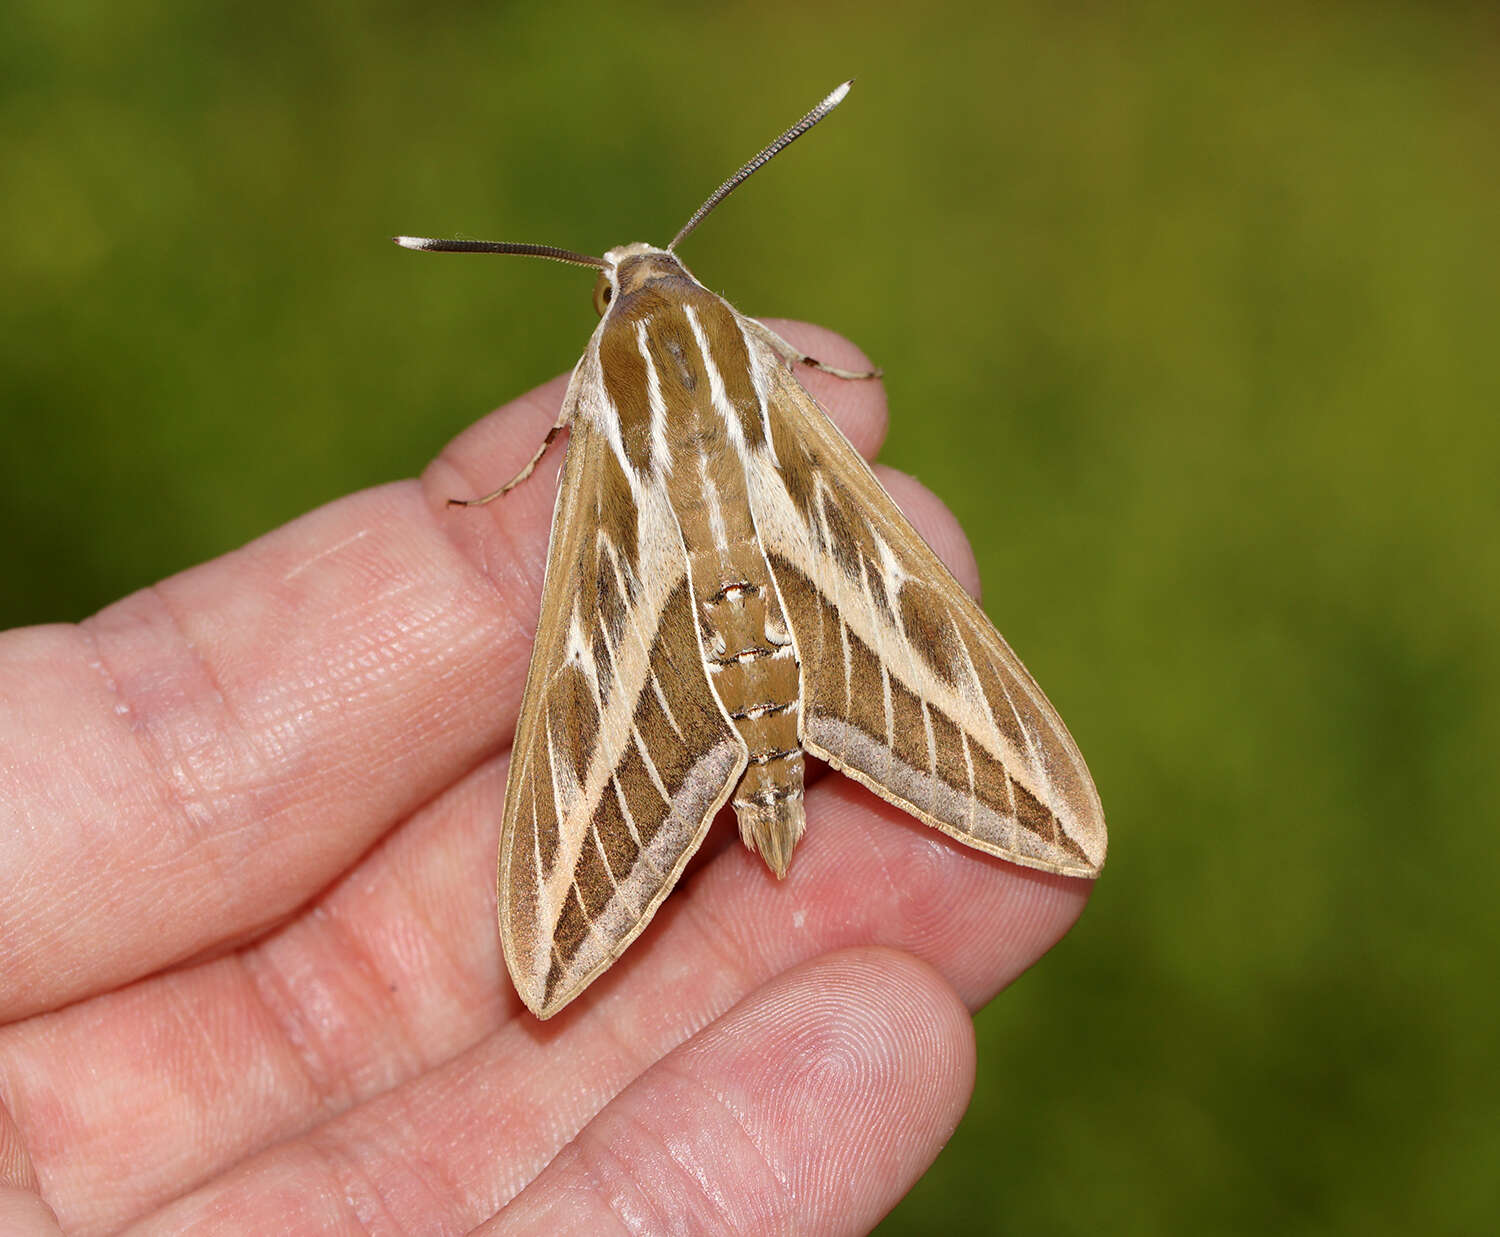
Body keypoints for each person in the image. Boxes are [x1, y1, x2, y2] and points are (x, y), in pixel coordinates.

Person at [0, 323, 1093, 1233]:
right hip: (780, 546)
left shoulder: (617, 387)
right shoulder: (740, 353)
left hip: (673, 558)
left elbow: (551, 452)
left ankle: (886, 770)